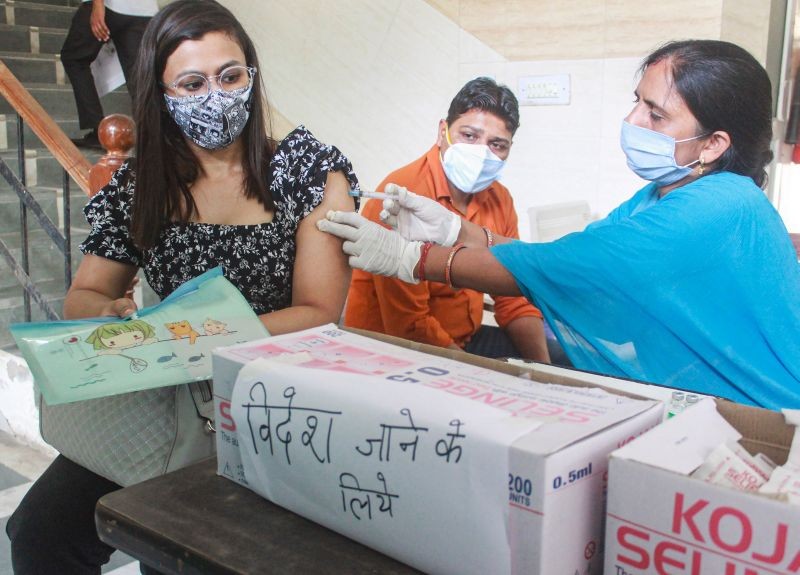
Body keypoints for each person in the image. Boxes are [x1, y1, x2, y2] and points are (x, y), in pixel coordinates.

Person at [7, 1, 358, 573]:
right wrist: (113, 314)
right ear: (161, 94)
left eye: (230, 76)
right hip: (166, 403)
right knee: (39, 532)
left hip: (269, 401)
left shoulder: (306, 170)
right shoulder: (143, 181)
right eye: (192, 83)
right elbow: (85, 296)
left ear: (252, 75)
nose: (216, 95)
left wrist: (192, 337)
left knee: (186, 553)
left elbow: (318, 312)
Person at [319, 39, 800, 411]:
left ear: (713, 145)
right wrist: (454, 231)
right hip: (405, 355)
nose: (631, 120)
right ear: (442, 130)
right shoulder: (661, 195)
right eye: (637, 102)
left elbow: (567, 267)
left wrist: (414, 257)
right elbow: (566, 257)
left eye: (654, 114)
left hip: (754, 413)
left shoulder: (720, 206)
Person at [345, 78, 550, 362]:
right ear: (443, 132)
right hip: (394, 353)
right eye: (469, 135)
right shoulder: (402, 198)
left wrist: (544, 372)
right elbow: (410, 326)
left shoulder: (500, 199)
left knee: (569, 364)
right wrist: (485, 377)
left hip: (466, 340)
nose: (482, 152)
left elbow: (514, 299)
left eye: (497, 144)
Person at [62, 0, 158, 149]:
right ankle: (154, 138)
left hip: (110, 7)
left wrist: (98, 6)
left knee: (74, 58)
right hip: (144, 11)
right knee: (138, 77)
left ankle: (97, 130)